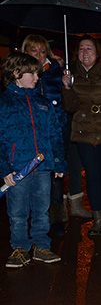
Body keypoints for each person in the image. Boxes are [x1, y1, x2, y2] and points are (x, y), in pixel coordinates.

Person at [0, 52, 65, 267]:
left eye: (38, 74)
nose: (37, 78)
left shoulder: (43, 102)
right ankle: (19, 247)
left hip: (43, 166)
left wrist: (58, 161)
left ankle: (41, 245)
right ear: (16, 73)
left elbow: (54, 133)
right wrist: (4, 169)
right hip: (18, 167)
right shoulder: (5, 102)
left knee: (41, 208)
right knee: (18, 210)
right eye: (32, 74)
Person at [21, 34, 90, 231]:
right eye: (34, 51)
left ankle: (56, 218)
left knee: (55, 175)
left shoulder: (57, 74)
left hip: (55, 131)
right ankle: (32, 219)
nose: (39, 55)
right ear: (26, 52)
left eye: (43, 51)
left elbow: (69, 105)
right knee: (31, 176)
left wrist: (67, 86)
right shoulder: (19, 75)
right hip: (29, 134)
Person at [61, 37, 101, 236]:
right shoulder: (73, 77)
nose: (85, 52)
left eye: (89, 48)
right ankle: (98, 219)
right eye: (81, 49)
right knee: (93, 178)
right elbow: (69, 107)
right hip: (84, 135)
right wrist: (67, 88)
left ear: (97, 53)